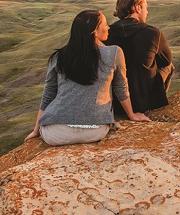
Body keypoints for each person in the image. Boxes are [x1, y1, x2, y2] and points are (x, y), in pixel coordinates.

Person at [26, 9, 150, 146]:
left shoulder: (59, 57)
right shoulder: (114, 53)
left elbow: (49, 94)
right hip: (95, 130)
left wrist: (36, 130)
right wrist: (132, 115)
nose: (108, 27)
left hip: (55, 133)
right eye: (105, 24)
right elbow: (121, 88)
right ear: (94, 31)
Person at [105, 0, 174, 119]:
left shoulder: (107, 32)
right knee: (169, 65)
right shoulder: (153, 33)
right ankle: (157, 104)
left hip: (115, 102)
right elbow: (166, 61)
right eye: (145, 8)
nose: (147, 12)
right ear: (137, 8)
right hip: (143, 102)